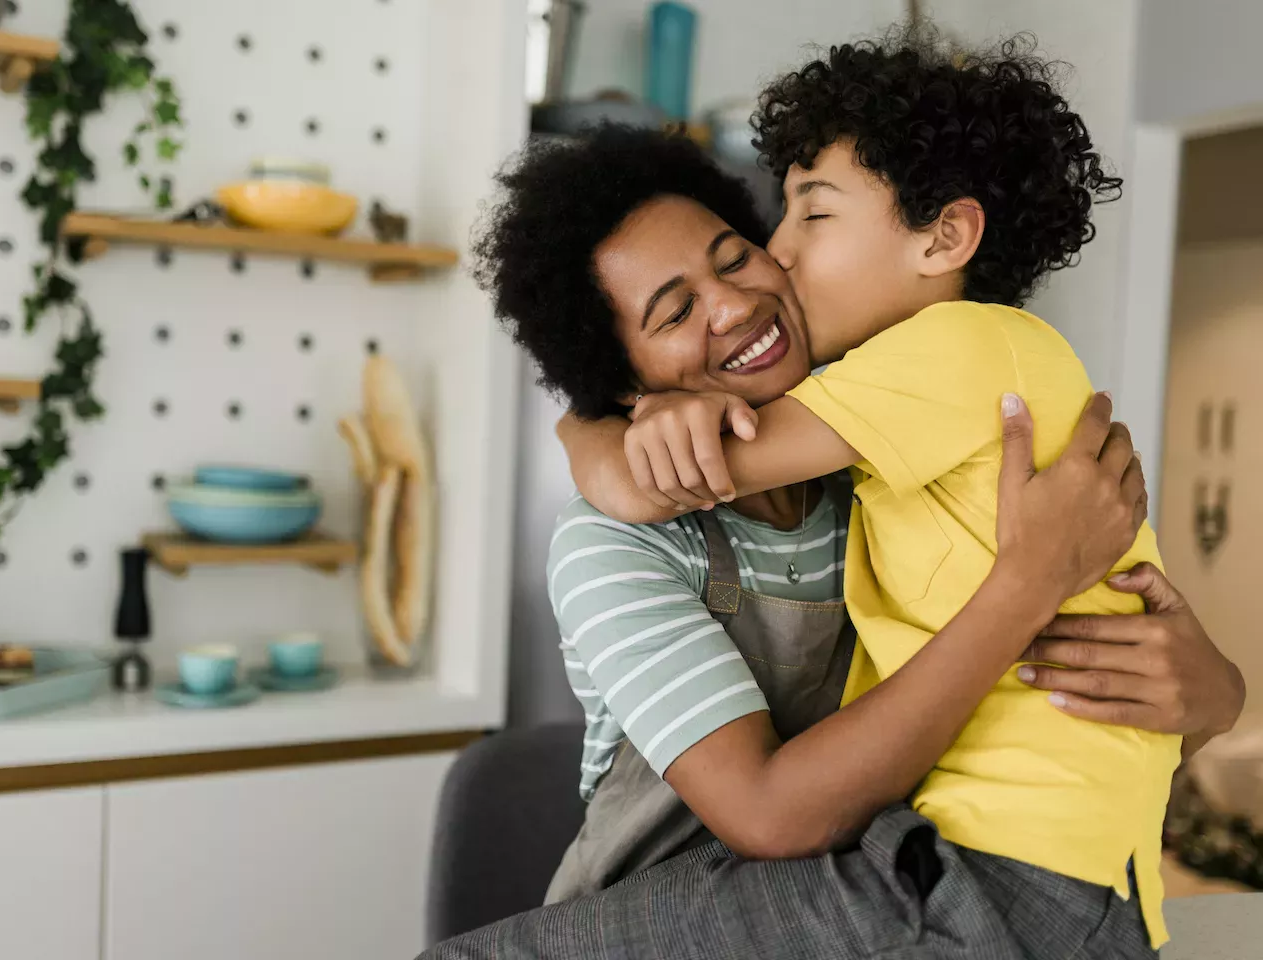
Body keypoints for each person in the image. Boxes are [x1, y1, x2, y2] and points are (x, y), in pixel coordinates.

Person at [422, 45, 1244, 960]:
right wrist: (598, 442)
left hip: (939, 876)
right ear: (623, 380)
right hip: (772, 884)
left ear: (944, 239)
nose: (745, 291)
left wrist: (1217, 693)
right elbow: (770, 813)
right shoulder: (632, 543)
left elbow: (1103, 706)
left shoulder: (884, 449)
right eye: (672, 313)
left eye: (745, 250)